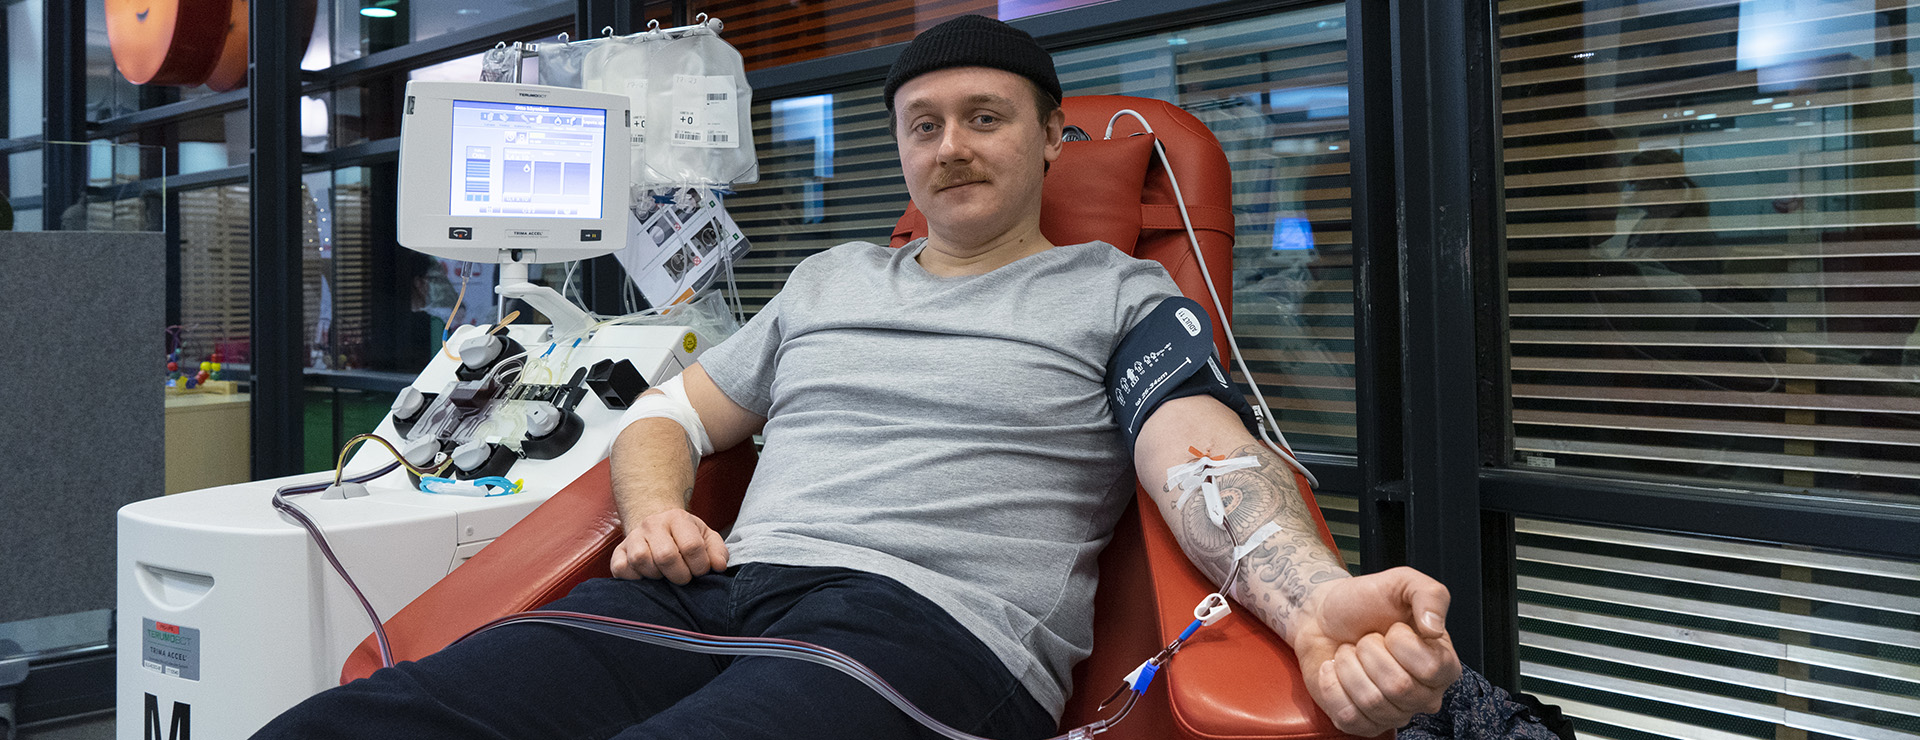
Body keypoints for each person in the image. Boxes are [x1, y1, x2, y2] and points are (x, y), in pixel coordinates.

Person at [254, 15, 1461, 739]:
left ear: (1052, 138)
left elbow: (1198, 450)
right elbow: (666, 414)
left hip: (921, 629)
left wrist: (1307, 601)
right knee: (358, 721)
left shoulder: (1118, 292)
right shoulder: (829, 279)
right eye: (923, 123)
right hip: (713, 598)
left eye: (985, 117)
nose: (951, 146)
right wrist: (659, 507)